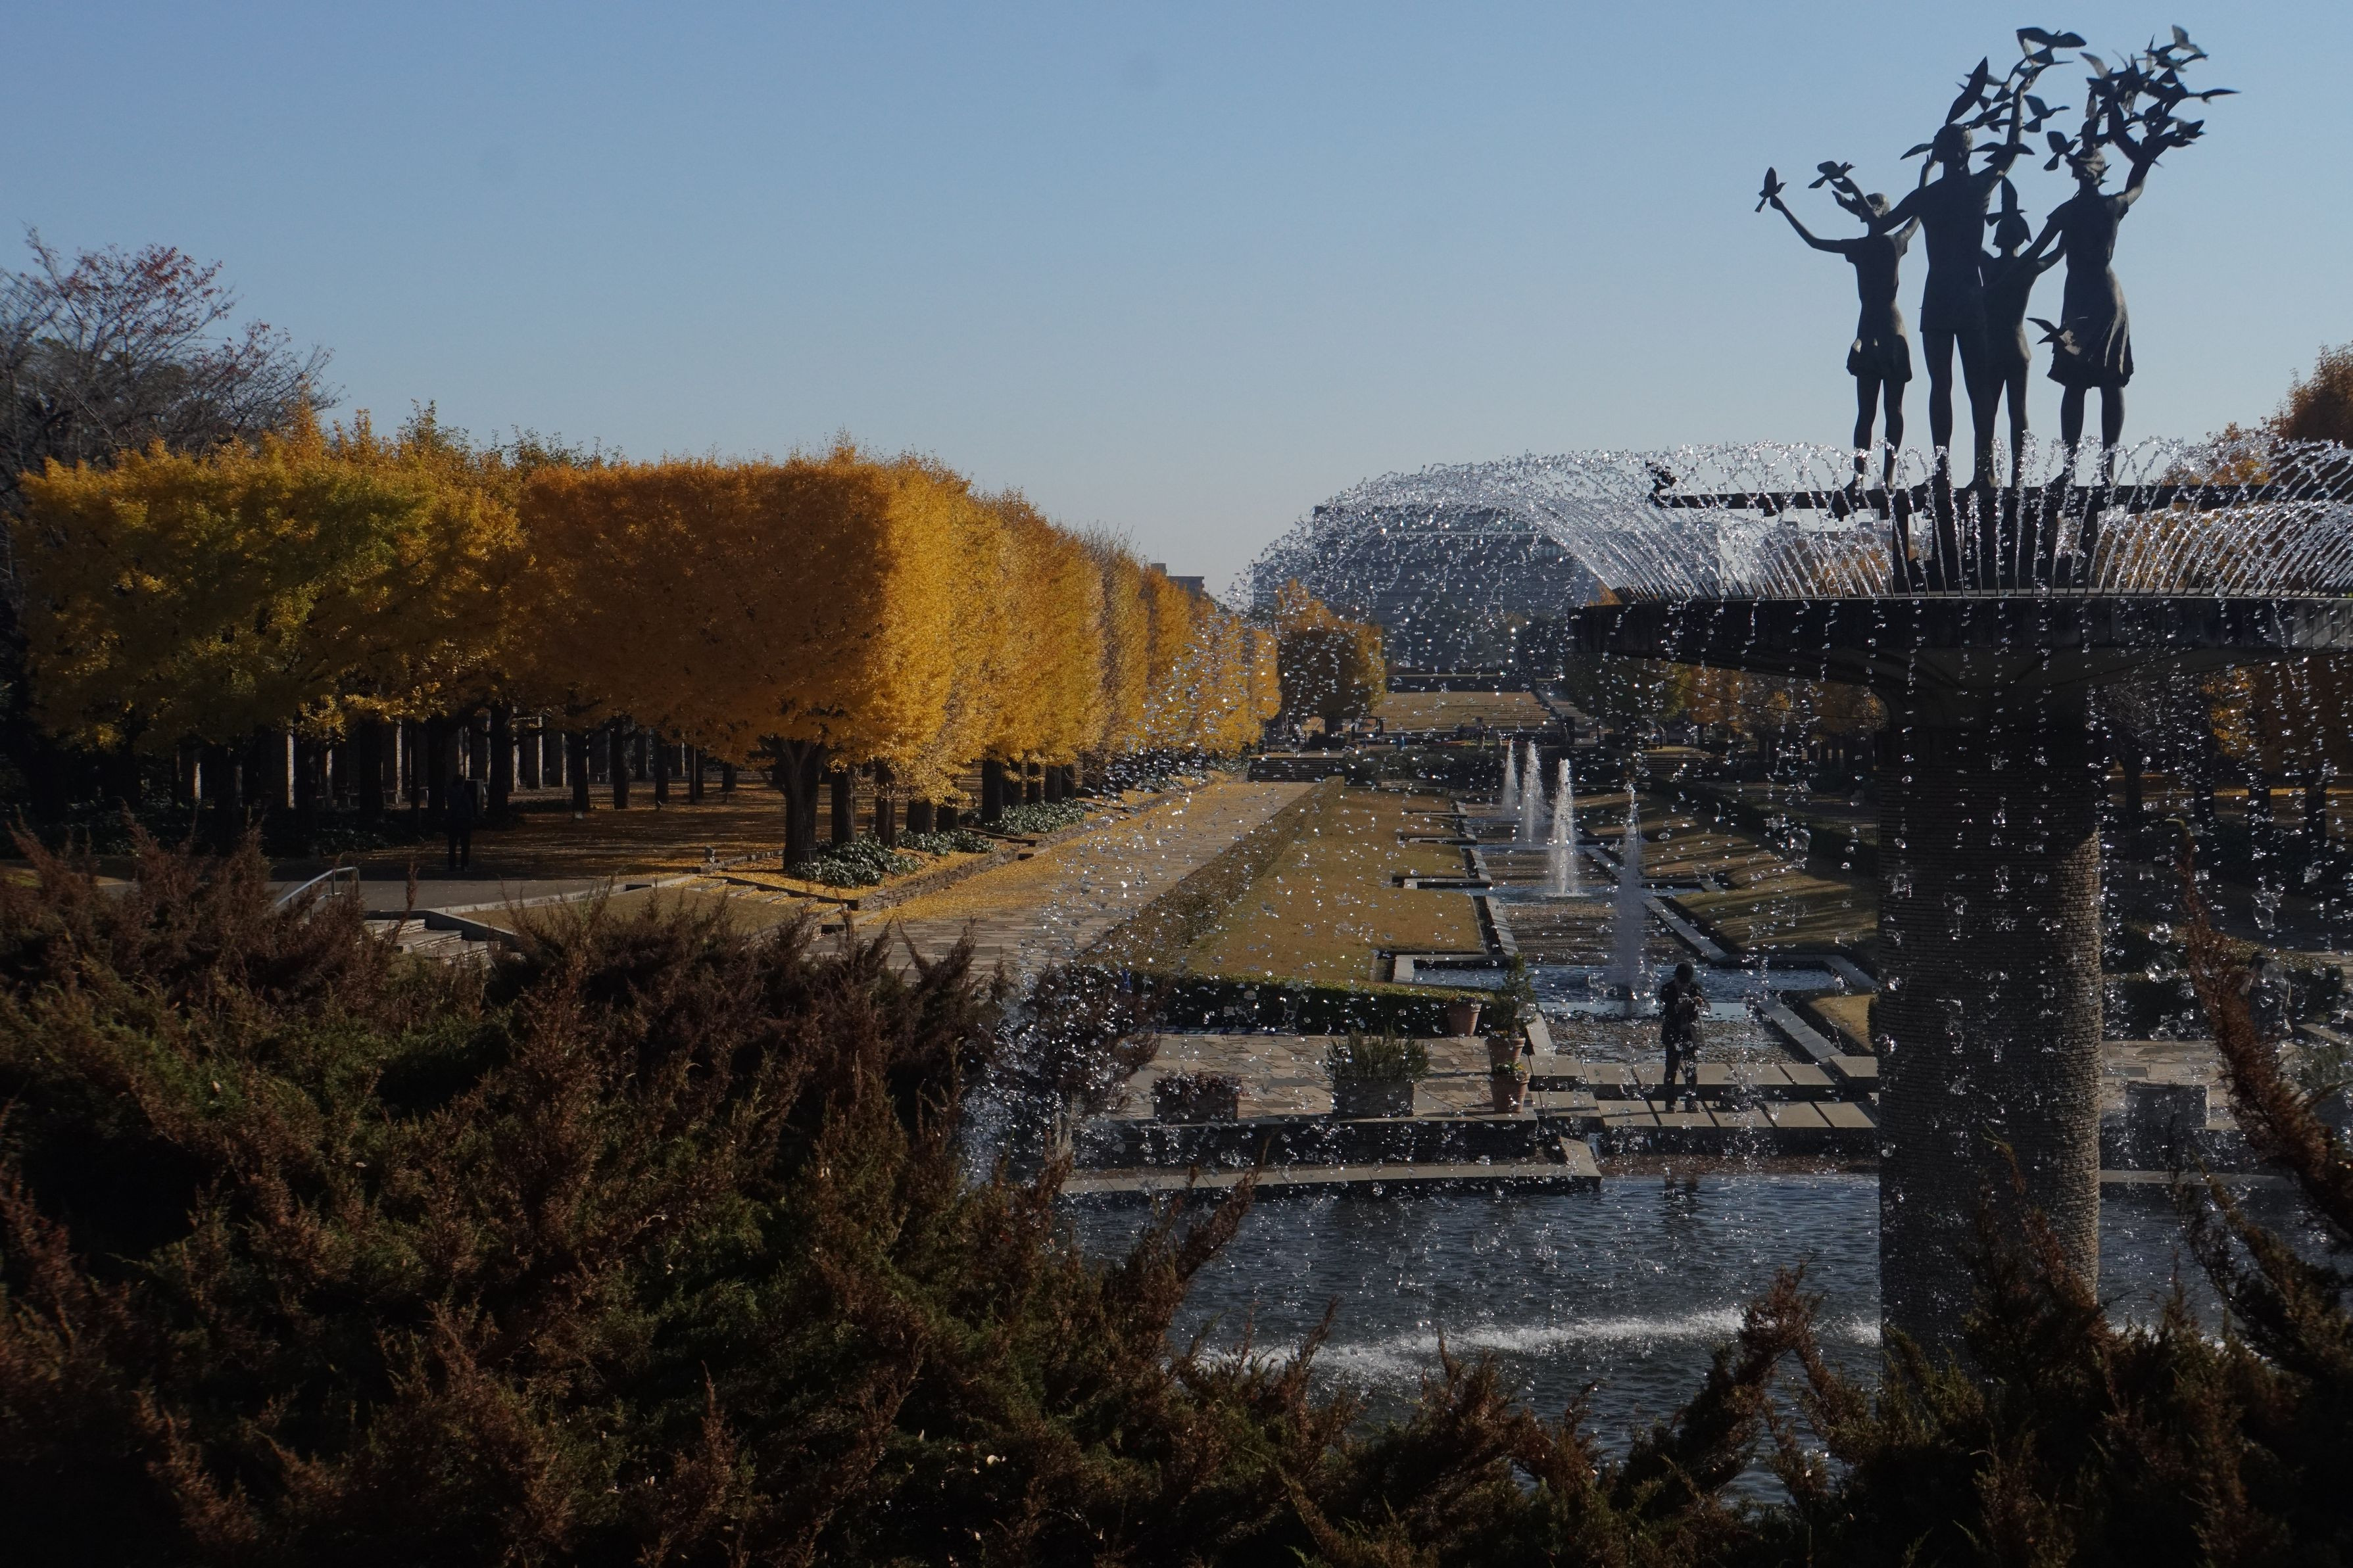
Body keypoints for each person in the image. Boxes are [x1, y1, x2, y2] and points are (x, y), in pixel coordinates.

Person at [1768, 184, 1919, 490]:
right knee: (1868, 411)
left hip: (1887, 330)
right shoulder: (1879, 244)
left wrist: (1783, 208)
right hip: (1875, 330)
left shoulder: (1890, 243)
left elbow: (1919, 210)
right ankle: (1860, 477)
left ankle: (1886, 477)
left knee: (1890, 409)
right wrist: (1783, 208)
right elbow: (1814, 242)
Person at [1976, 180, 2062, 484]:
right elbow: (2057, 253)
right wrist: (2066, 229)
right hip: (2017, 346)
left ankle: (1985, 472)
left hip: (1993, 346)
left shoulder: (1988, 266)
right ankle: (2019, 476)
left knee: (1987, 411)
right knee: (2018, 411)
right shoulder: (2028, 268)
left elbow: (1970, 244)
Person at [1657, 961, 1705, 1110]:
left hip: (1690, 1033)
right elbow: (1664, 1011)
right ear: (1676, 977)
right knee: (1671, 1068)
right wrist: (1678, 1007)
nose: (1683, 985)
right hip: (1673, 1032)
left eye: (1686, 983)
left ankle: (1691, 1101)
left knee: (1692, 1068)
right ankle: (1670, 1103)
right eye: (1681, 982)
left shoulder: (1695, 987)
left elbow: (1703, 1006)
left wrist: (1699, 1002)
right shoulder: (1667, 989)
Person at [447, 774, 479, 872]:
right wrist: (472, 817)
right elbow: (469, 807)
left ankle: (452, 865)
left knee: (452, 845)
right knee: (465, 845)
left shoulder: (450, 793)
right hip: (464, 821)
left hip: (453, 820)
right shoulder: (464, 793)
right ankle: (464, 865)